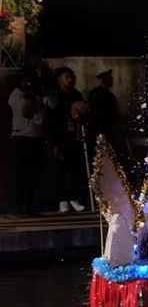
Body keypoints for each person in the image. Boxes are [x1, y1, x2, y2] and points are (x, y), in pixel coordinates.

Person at [46, 67, 88, 212]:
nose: (70, 80)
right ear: (59, 79)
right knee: (61, 169)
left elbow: (83, 111)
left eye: (71, 77)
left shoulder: (75, 94)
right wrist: (53, 142)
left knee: (74, 168)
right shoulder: (54, 96)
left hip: (74, 135)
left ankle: (73, 198)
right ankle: (63, 199)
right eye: (66, 77)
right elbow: (51, 119)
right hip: (60, 135)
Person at [6, 73, 46, 216]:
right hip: (20, 138)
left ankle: (30, 207)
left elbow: (41, 116)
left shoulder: (37, 96)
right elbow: (25, 112)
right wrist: (28, 96)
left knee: (32, 175)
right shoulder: (16, 95)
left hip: (35, 137)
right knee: (19, 175)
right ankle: (17, 207)